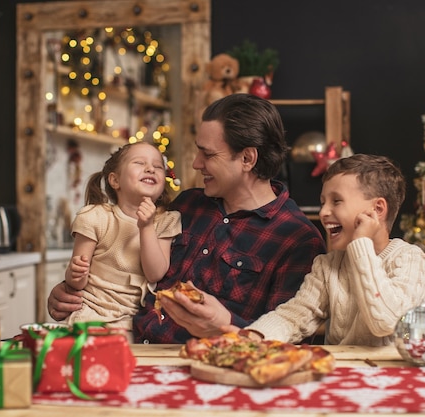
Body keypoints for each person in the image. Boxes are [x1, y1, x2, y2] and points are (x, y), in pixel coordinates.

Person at [48, 93, 327, 343]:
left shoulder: (297, 239)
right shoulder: (187, 204)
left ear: (247, 159)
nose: (195, 163)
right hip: (130, 349)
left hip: (204, 376)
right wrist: (69, 292)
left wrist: (224, 326)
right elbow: (126, 269)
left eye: (207, 154)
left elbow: (287, 344)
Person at [225, 154, 425, 346]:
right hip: (342, 376)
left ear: (377, 210)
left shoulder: (411, 260)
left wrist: (361, 245)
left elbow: (384, 322)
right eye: (323, 202)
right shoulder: (328, 266)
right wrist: (256, 335)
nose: (324, 212)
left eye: (337, 201)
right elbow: (294, 316)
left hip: (397, 380)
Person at [63, 141, 181, 335]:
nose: (151, 169)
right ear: (115, 181)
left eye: (158, 166)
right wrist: (75, 274)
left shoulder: (166, 221)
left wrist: (146, 227)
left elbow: (155, 274)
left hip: (133, 322)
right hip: (89, 315)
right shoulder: (95, 216)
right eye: (140, 163)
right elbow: (75, 282)